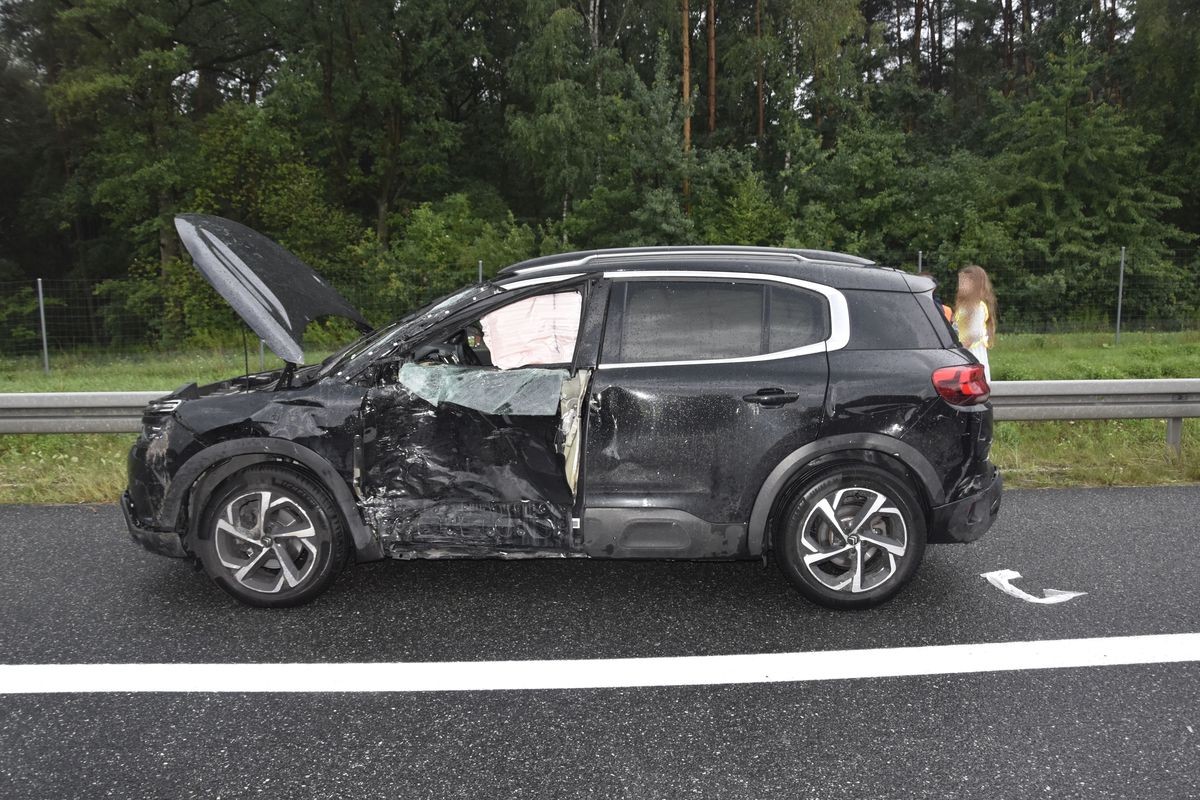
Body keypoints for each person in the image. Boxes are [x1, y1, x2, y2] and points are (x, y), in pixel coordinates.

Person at [953, 265, 997, 382]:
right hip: (964, 351)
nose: (960, 286)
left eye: (964, 282)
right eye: (960, 282)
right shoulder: (963, 306)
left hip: (971, 353)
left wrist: (960, 351)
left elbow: (974, 333)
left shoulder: (977, 306)